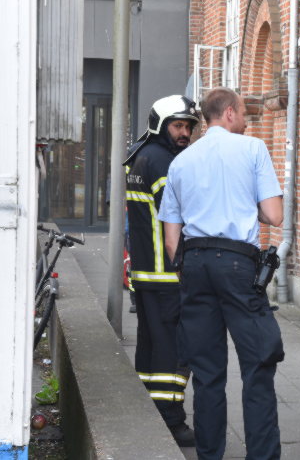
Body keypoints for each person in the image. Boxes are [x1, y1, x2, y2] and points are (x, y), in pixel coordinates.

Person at [158, 87, 284, 460]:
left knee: (207, 370)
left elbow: (170, 239)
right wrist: (248, 204)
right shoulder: (252, 149)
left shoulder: (180, 161)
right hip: (237, 264)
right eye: (243, 112)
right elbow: (274, 214)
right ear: (229, 112)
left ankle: (210, 454)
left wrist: (189, 271)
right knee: (258, 364)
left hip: (194, 264)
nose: (245, 120)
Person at [123, 94, 199, 447]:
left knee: (151, 345)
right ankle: (172, 420)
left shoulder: (141, 156)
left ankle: (149, 407)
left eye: (188, 127)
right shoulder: (165, 162)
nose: (184, 133)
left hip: (145, 272)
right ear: (159, 125)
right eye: (178, 126)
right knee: (174, 349)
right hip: (168, 274)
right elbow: (177, 219)